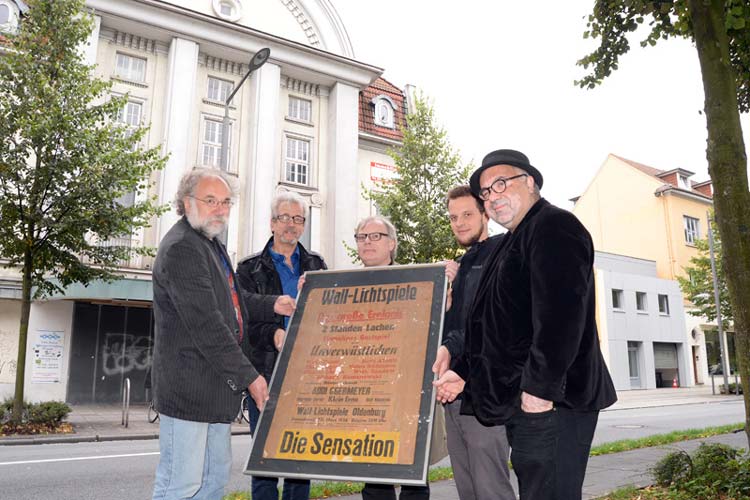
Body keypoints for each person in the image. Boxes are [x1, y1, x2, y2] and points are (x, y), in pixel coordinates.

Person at [434, 149, 617, 500]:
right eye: (486, 193)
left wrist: (539, 393)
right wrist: (464, 371)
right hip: (530, 402)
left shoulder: (553, 226)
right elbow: (495, 325)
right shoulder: (514, 241)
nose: (492, 196)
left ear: (529, 181)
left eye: (500, 184)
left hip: (555, 402)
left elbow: (561, 318)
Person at [151, 168, 294, 500]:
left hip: (213, 391)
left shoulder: (208, 243)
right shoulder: (182, 248)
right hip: (189, 392)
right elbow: (207, 324)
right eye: (210, 200)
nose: (220, 209)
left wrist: (274, 305)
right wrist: (252, 377)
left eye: (226, 202)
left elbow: (232, 302)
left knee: (212, 482)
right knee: (181, 486)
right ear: (187, 202)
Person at [236, 191, 327, 500]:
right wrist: (275, 334)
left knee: (300, 467)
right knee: (265, 463)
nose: (291, 225)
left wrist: (314, 295)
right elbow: (242, 320)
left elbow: (328, 317)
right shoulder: (249, 269)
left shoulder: (316, 264)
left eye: (298, 219)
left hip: (307, 377)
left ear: (303, 225)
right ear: (272, 222)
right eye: (285, 218)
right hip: (265, 376)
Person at [432, 185, 513, 500]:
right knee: (468, 489)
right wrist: (446, 301)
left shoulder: (502, 253)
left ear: (485, 214)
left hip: (483, 394)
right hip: (452, 396)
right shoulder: (462, 265)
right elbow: (454, 328)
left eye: (467, 214)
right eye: (453, 217)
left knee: (490, 489)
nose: (459, 223)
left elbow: (493, 328)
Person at [354, 215, 432, 500]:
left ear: (392, 244)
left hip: (405, 392)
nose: (367, 242)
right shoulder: (343, 285)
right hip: (365, 394)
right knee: (373, 477)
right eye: (362, 237)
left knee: (413, 473)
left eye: (375, 236)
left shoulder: (417, 282)